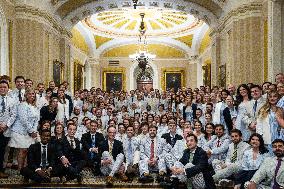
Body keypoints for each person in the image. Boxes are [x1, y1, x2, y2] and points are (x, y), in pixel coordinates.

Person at [8, 88, 40, 170]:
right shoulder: (22, 105)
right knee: (23, 150)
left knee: (28, 150)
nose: (32, 95)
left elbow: (37, 120)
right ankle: (20, 169)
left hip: (30, 131)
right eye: (29, 94)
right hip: (20, 131)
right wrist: (31, 131)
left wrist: (34, 131)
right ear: (26, 95)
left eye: (33, 94)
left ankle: (25, 169)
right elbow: (24, 120)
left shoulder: (35, 106)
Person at [0, 80, 17, 178]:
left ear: (8, 89)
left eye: (4, 87)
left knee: (3, 151)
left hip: (6, 130)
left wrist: (6, 125)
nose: (2, 89)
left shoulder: (11, 100)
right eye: (1, 87)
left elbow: (13, 115)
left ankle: (1, 170)